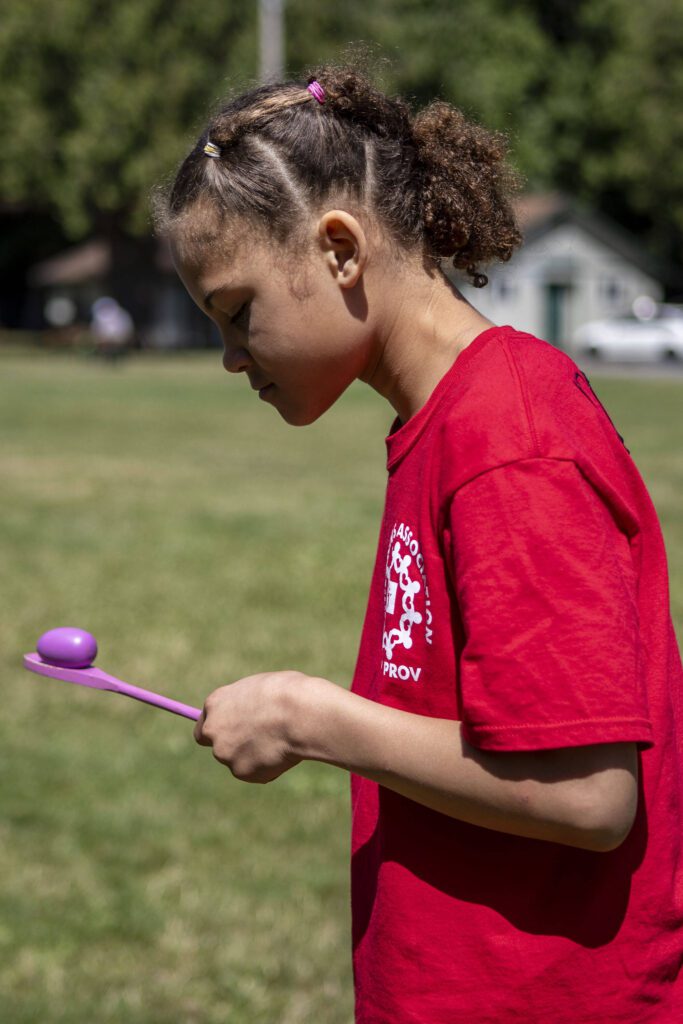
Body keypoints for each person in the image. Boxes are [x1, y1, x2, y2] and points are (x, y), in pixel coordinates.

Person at [155, 61, 683, 1023]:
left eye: (238, 313)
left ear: (340, 250)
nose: (232, 356)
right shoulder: (446, 422)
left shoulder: (508, 442)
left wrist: (311, 718)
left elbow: (587, 795)